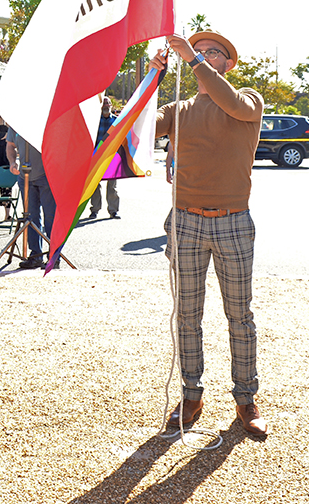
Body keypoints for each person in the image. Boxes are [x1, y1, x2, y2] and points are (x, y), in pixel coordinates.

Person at [150, 30, 267, 437]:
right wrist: (154, 77)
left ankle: (245, 397)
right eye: (197, 52)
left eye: (211, 53)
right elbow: (141, 129)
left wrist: (191, 59)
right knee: (187, 315)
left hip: (233, 220)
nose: (201, 56)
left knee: (240, 316)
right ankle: (191, 393)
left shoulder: (248, 98)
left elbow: (233, 103)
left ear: (228, 64)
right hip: (185, 221)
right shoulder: (179, 108)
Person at [5, 127, 56, 269]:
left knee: (50, 217)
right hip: (25, 177)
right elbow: (10, 145)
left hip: (46, 176)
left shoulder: (44, 119)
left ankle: (54, 256)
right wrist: (12, 162)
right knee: (31, 218)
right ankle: (35, 256)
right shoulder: (15, 121)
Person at [89, 96, 121, 219]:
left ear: (111, 106)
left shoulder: (117, 121)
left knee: (112, 185)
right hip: (96, 157)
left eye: (107, 103)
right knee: (95, 185)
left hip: (111, 157)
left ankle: (113, 211)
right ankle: (95, 210)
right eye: (104, 103)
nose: (106, 106)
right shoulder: (95, 121)